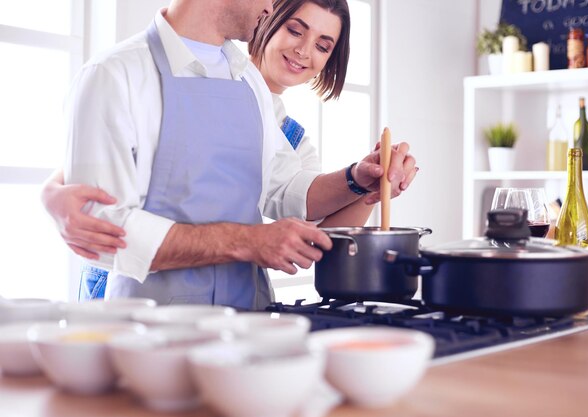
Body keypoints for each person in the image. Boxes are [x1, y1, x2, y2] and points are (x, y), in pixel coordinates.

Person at [47, 0, 416, 308]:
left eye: (322, 45)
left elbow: (284, 190)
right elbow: (102, 225)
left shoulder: (248, 83)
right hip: (147, 324)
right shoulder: (117, 75)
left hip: (245, 316)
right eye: (294, 28)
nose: (272, 6)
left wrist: (358, 178)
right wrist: (247, 241)